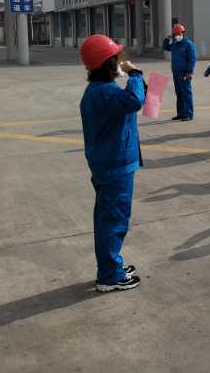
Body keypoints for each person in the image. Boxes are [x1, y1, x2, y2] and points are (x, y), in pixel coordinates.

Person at [79, 34, 144, 292]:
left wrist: (137, 80)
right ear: (107, 63)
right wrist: (135, 74)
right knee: (114, 221)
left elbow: (134, 99)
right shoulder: (105, 93)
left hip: (110, 163)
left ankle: (111, 266)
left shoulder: (99, 91)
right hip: (115, 166)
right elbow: (135, 100)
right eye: (116, 58)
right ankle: (109, 275)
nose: (120, 62)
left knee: (108, 219)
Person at [162, 23, 197, 121]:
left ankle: (188, 114)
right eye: (176, 34)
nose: (178, 36)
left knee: (186, 93)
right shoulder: (174, 44)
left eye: (179, 34)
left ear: (183, 33)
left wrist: (189, 72)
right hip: (176, 73)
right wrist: (167, 39)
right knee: (179, 94)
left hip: (185, 73)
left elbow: (192, 59)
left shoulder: (189, 44)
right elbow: (165, 47)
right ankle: (181, 113)